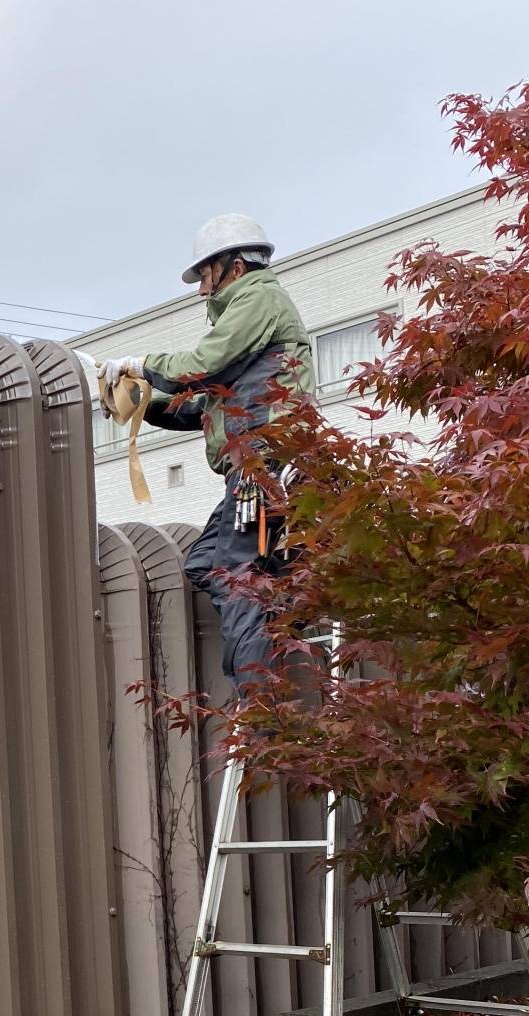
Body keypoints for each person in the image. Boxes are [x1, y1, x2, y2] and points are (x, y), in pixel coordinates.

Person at [100, 214, 314, 688]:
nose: (201, 290)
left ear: (233, 267)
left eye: (204, 276)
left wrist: (140, 364)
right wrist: (142, 405)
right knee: (205, 564)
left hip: (264, 460)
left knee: (238, 575)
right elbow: (203, 408)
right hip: (251, 465)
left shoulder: (259, 297)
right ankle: (287, 601)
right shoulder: (250, 328)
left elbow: (199, 366)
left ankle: (254, 694)